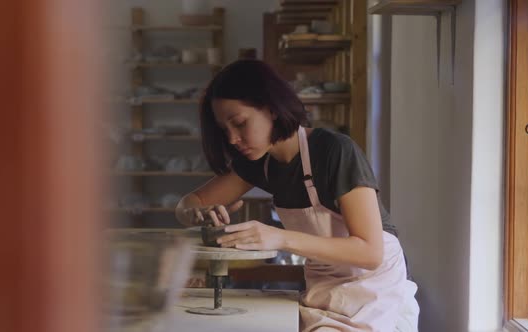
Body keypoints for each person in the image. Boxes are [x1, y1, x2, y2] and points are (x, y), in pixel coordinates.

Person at [175, 59, 420, 332]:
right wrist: (195, 214)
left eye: (240, 123)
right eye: (225, 130)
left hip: (377, 290)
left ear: (272, 109)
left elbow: (370, 252)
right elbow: (189, 203)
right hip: (324, 289)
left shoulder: (335, 151)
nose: (233, 139)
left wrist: (279, 237)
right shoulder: (260, 162)